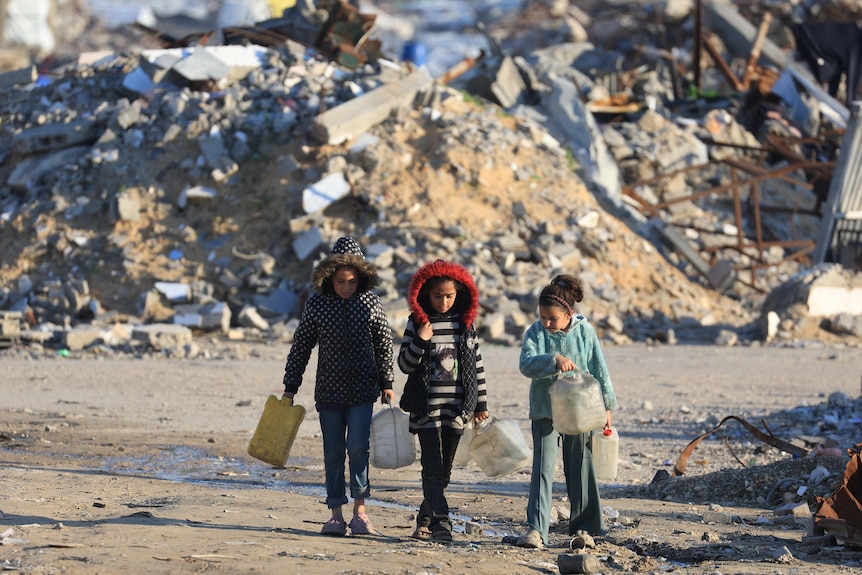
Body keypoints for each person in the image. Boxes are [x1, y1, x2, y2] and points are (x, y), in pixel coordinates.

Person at [282, 236, 395, 537]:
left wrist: (387, 382)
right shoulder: (317, 304)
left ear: (362, 279)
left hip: (362, 390)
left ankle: (360, 512)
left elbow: (384, 344)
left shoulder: (370, 303)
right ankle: (335, 514)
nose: (346, 287)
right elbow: (302, 345)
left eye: (352, 281)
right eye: (341, 281)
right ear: (329, 277)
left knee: (358, 448)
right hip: (329, 392)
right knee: (333, 454)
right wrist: (290, 385)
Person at [514, 274, 618, 549]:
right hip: (544, 410)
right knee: (542, 470)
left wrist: (607, 406)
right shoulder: (535, 332)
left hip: (580, 412)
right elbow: (526, 364)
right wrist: (552, 360)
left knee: (580, 468)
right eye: (544, 317)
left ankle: (585, 528)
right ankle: (536, 529)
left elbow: (599, 369)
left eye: (553, 319)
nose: (547, 324)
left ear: (568, 313)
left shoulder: (585, 332)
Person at [397, 260, 489, 542]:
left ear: (459, 294)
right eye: (438, 296)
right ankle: (441, 523)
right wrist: (421, 340)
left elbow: (477, 365)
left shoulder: (465, 326)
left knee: (444, 471)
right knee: (433, 468)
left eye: (449, 296)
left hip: (456, 410)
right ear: (425, 294)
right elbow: (405, 364)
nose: (444, 302)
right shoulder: (418, 323)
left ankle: (424, 520)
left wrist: (481, 405)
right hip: (426, 409)